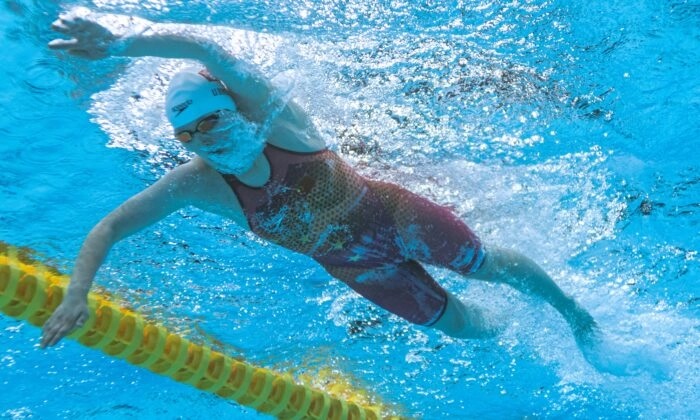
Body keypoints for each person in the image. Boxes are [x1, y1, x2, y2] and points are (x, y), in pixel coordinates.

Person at [40, 8, 601, 366]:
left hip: (392, 213)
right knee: (457, 327)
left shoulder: (278, 122)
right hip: (353, 265)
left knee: (483, 265)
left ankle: (572, 313)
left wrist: (118, 46)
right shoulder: (199, 185)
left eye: (209, 122)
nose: (202, 141)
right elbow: (110, 226)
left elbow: (205, 52)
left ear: (233, 109)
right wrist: (76, 292)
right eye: (187, 136)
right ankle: (512, 326)